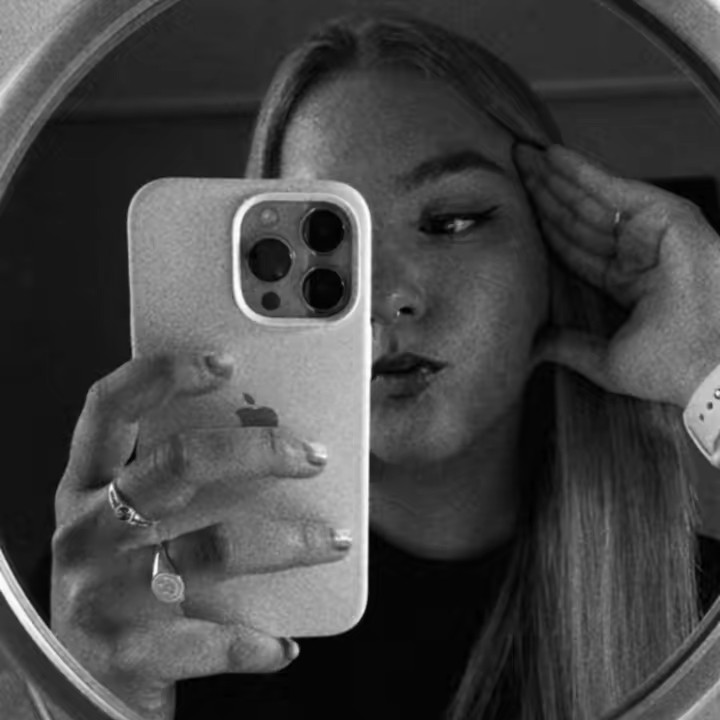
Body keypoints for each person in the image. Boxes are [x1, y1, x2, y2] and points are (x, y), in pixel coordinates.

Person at [43, 11, 720, 720]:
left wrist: (710, 376)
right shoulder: (131, 614)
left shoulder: (703, 621)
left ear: (551, 253)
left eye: (451, 222)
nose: (387, 294)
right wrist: (84, 699)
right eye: (328, 237)